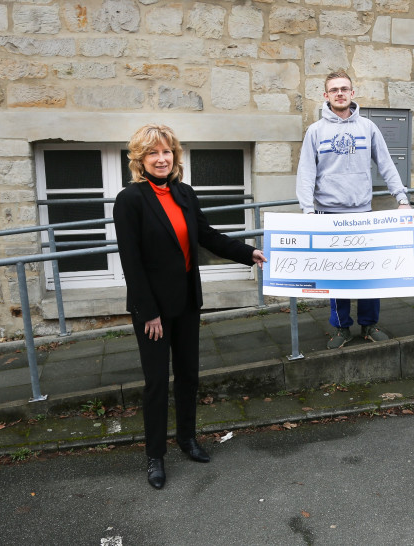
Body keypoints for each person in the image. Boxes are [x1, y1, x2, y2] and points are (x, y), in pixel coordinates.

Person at [113, 124, 266, 489]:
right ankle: (155, 456)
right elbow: (130, 262)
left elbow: (208, 236)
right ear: (140, 159)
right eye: (153, 153)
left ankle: (187, 439)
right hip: (152, 310)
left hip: (186, 302)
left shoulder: (184, 193)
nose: (161, 158)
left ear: (174, 156)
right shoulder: (130, 199)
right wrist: (148, 311)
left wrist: (249, 253)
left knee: (188, 376)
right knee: (155, 383)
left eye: (167, 152)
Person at [296, 70, 412, 349]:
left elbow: (386, 164)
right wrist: (307, 210)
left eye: (344, 89)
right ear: (326, 96)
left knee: (368, 274)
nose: (339, 93)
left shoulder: (368, 128)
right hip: (327, 214)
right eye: (334, 89)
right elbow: (306, 172)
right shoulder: (316, 131)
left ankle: (369, 325)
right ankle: (341, 328)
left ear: (352, 93)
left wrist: (402, 197)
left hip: (362, 213)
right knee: (337, 277)